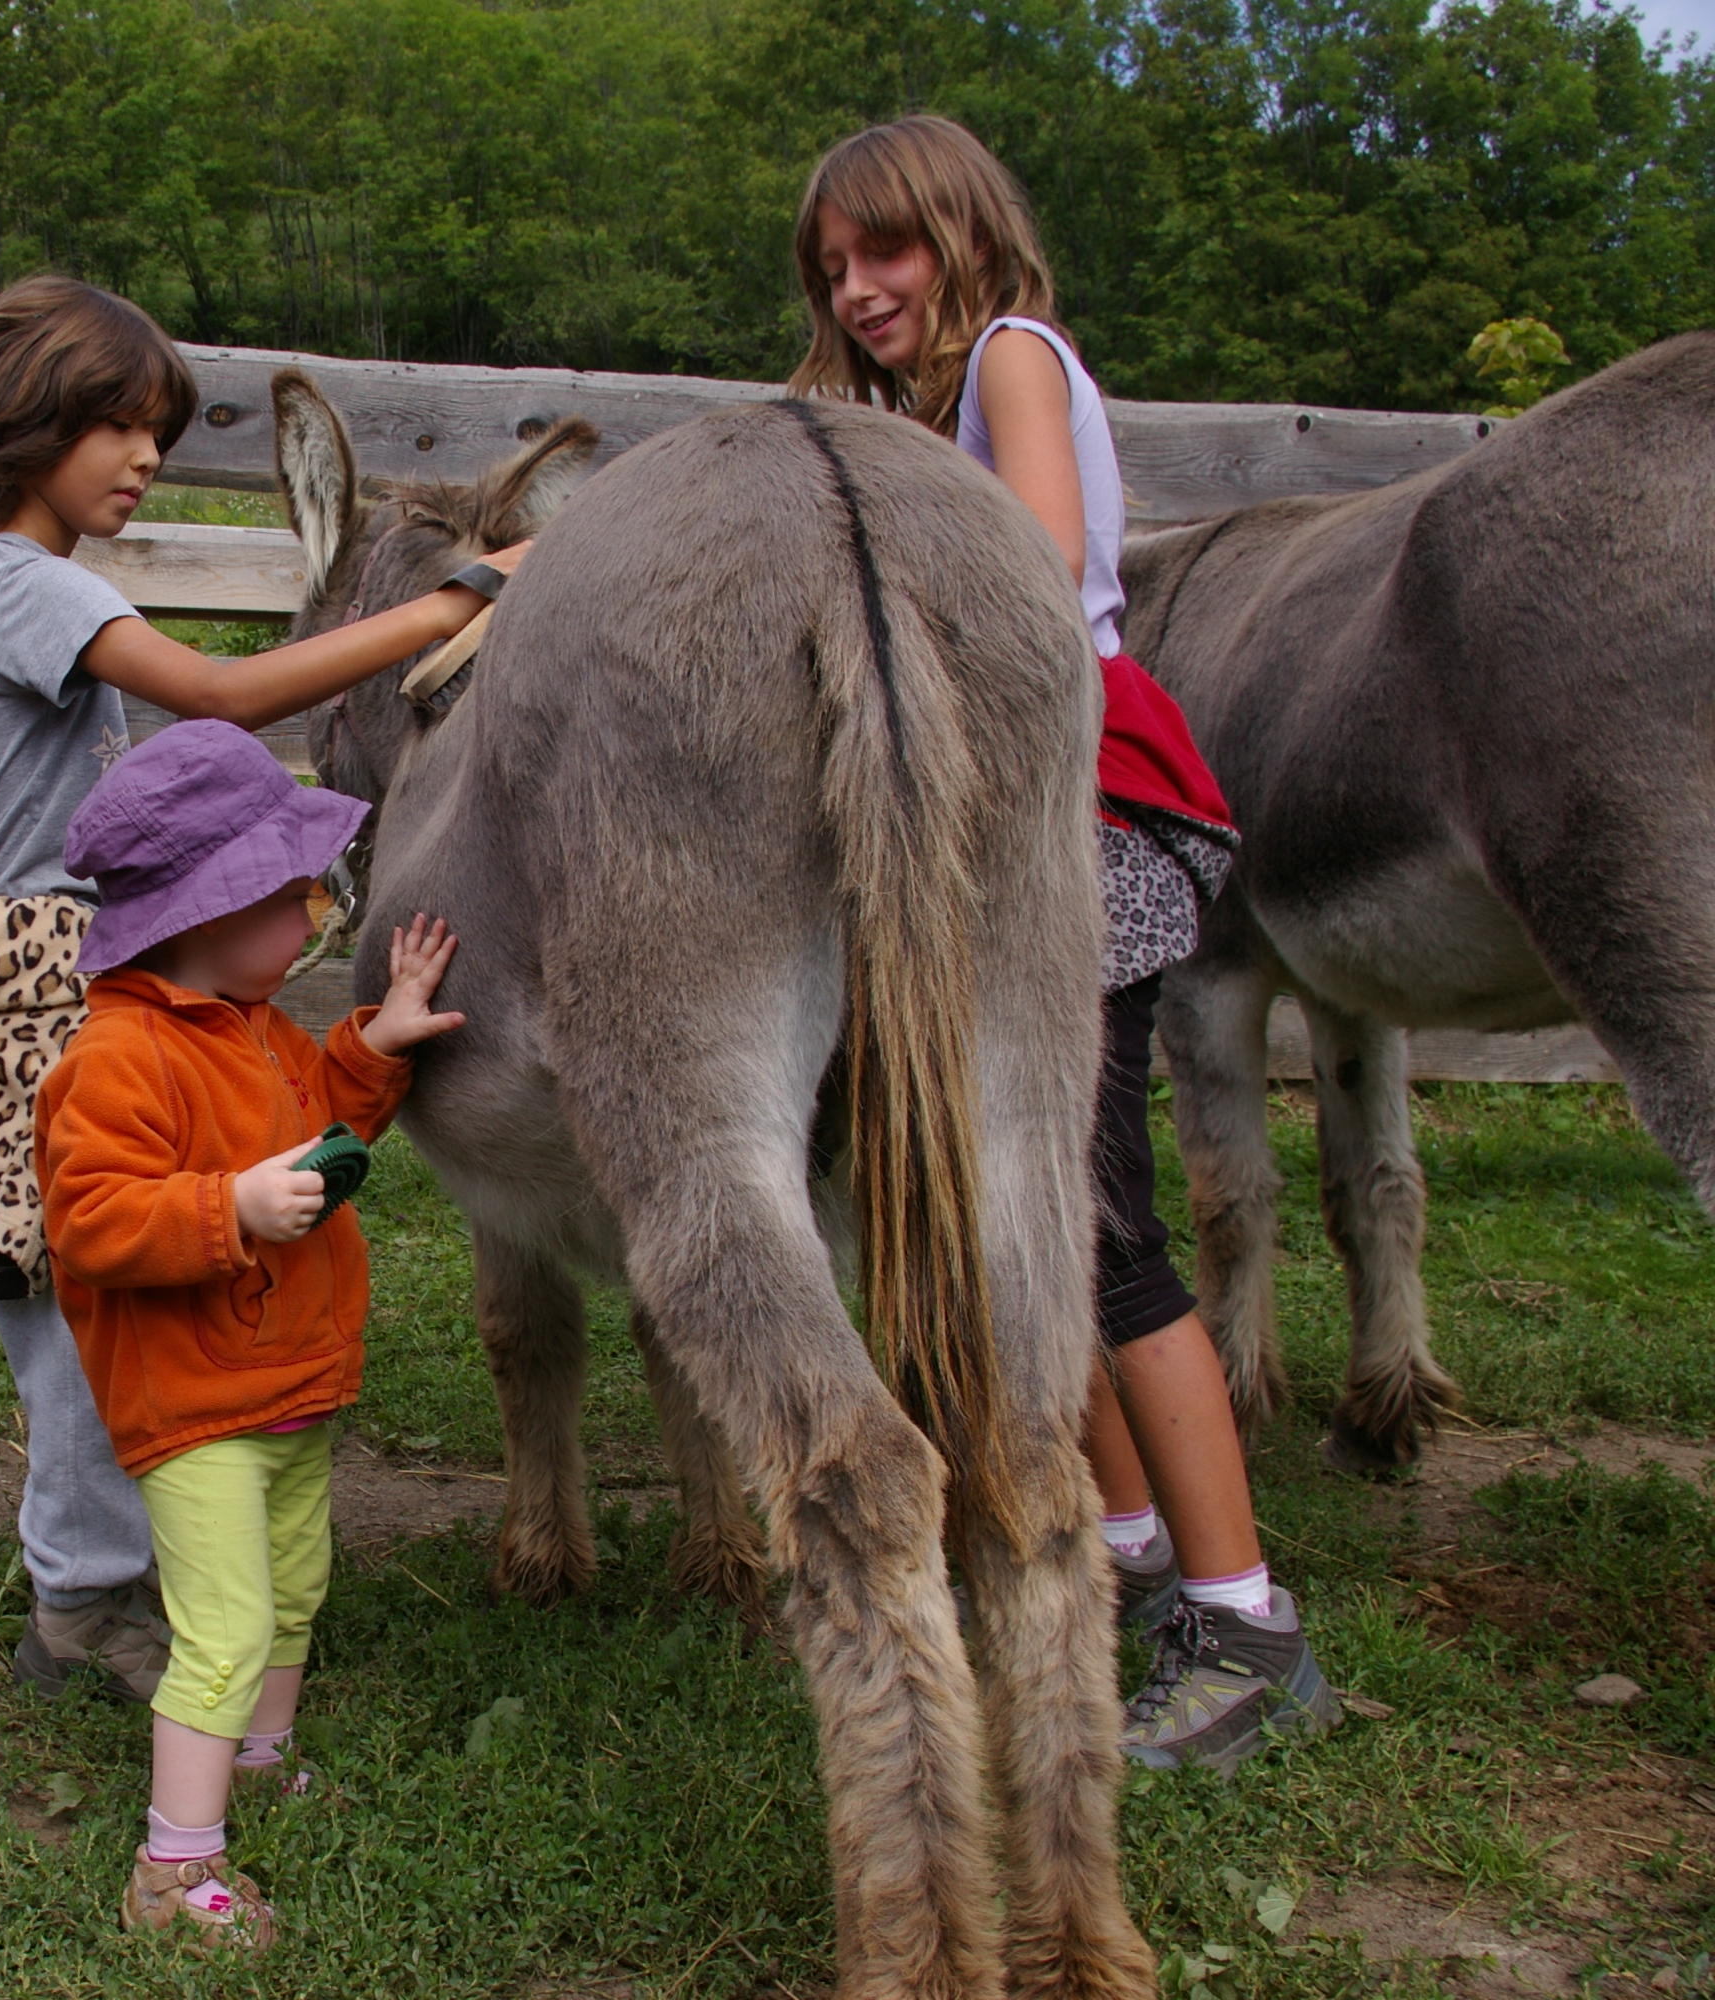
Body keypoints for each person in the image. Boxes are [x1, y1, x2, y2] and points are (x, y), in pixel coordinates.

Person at [791, 115, 1340, 1773]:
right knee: (1022, 1225)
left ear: (960, 229)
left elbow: (1027, 583)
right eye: (830, 267)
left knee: (1097, 1229)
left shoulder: (1012, 360)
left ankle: (1245, 1621)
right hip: (987, 830)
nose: (857, 287)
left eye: (882, 250)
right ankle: (1122, 1557)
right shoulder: (899, 408)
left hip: (1062, 821)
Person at [0, 274, 524, 1701]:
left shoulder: (20, 586)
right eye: (117, 427)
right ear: (29, 423)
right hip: (47, 987)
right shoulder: (28, 581)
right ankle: (82, 1610)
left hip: (64, 965)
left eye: (156, 433)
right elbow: (223, 696)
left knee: (103, 1297)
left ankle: (133, 1571)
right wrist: (457, 599)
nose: (144, 460)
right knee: (83, 1314)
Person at [39, 721, 468, 1946]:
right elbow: (90, 1218)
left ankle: (261, 1760)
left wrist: (375, 1042)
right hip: (195, 1402)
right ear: (200, 912)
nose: (315, 911)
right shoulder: (118, 1054)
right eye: (291, 896)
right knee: (221, 1626)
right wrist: (225, 1206)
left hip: (285, 1382)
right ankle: (172, 1869)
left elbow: (315, 1111)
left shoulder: (253, 1023)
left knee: (293, 1588)